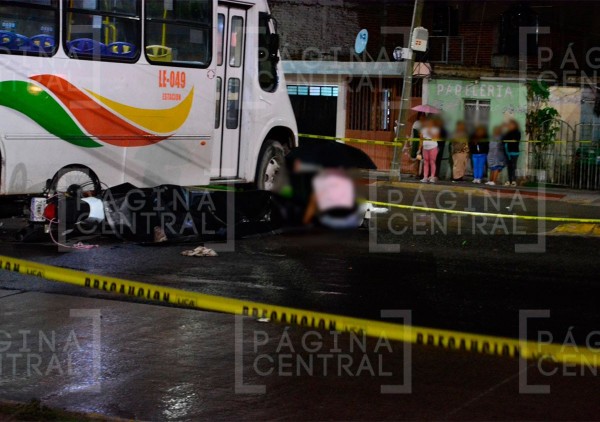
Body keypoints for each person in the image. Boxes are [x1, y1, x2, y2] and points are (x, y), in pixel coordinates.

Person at [418, 118, 440, 183]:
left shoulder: (436, 129)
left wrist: (430, 132)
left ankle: (432, 177)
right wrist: (419, 148)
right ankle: (425, 177)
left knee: (432, 162)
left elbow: (436, 138)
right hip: (425, 147)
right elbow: (421, 139)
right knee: (425, 162)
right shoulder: (423, 129)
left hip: (433, 147)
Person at [502, 119, 522, 187]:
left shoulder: (517, 132)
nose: (510, 126)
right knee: (509, 167)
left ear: (515, 125)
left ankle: (514, 181)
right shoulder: (508, 132)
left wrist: (509, 140)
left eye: (511, 125)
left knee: (514, 166)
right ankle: (509, 180)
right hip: (508, 152)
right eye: (509, 125)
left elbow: (515, 141)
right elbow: (503, 140)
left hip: (514, 152)